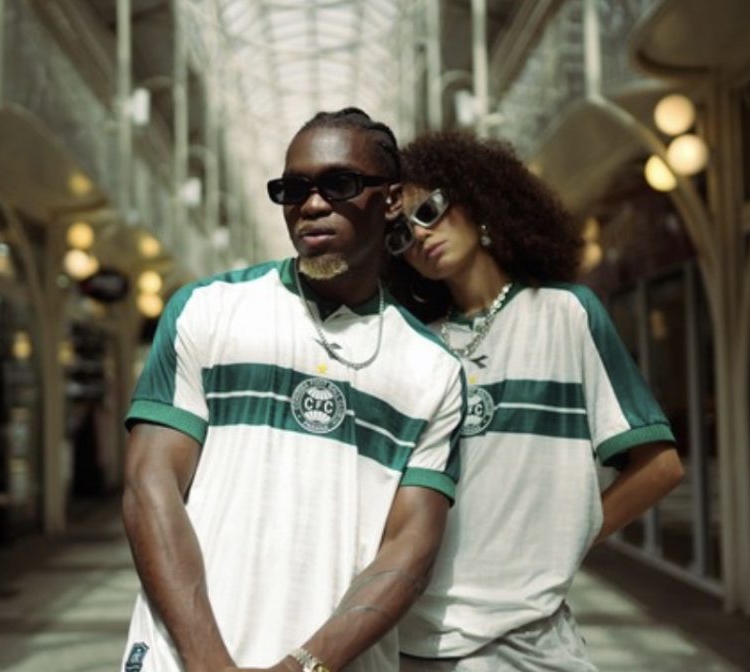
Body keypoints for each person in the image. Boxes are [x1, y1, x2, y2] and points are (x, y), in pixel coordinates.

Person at [121, 108, 467, 672]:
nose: (311, 205)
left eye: (339, 184)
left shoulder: (433, 370)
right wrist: (208, 662)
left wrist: (303, 665)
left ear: (390, 200)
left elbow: (411, 549)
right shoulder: (207, 310)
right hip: (179, 659)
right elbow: (149, 486)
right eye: (294, 189)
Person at [385, 131, 685, 671]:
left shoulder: (567, 314)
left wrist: (561, 543)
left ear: (476, 201)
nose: (420, 235)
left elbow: (659, 467)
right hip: (415, 636)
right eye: (401, 234)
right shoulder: (416, 346)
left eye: (429, 210)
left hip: (529, 641)